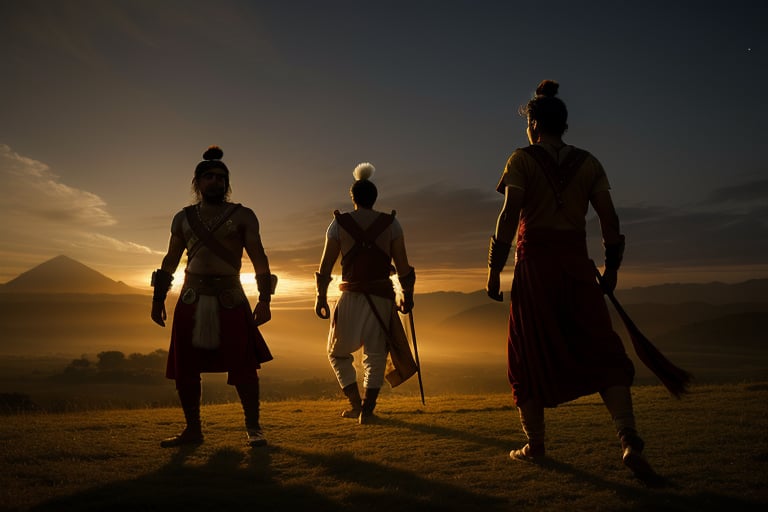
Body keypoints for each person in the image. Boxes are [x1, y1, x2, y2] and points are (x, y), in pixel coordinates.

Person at [486, 80, 657, 482]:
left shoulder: (521, 160)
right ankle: (628, 436)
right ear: (564, 124)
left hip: (535, 269)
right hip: (578, 266)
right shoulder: (589, 163)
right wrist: (612, 267)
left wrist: (493, 267)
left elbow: (510, 214)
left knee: (526, 353)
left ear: (533, 123)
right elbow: (610, 220)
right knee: (601, 347)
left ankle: (536, 444)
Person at [151, 145, 276, 448]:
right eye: (208, 177)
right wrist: (158, 299)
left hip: (230, 297)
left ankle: (254, 428)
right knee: (186, 367)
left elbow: (259, 257)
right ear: (197, 183)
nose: (215, 182)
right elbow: (170, 260)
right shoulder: (182, 218)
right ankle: (193, 430)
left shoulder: (243, 216)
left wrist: (264, 299)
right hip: (191, 297)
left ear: (227, 183)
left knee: (243, 364)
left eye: (221, 177)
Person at [315, 162, 417, 424]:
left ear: (353, 198)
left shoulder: (337, 225)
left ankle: (356, 406)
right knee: (375, 354)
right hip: (383, 297)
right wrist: (407, 295)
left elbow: (325, 269)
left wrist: (321, 298)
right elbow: (404, 269)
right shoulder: (392, 225)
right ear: (374, 198)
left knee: (336, 353)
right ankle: (368, 412)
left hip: (349, 296)